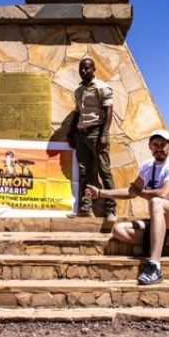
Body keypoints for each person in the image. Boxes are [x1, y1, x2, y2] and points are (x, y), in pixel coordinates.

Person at [85, 129, 169, 285]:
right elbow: (131, 192)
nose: (159, 148)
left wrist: (140, 192)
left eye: (163, 144)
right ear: (149, 146)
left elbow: (164, 195)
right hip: (161, 220)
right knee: (118, 230)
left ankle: (155, 266)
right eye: (155, 144)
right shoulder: (147, 167)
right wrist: (101, 193)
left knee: (156, 202)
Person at [68, 57, 116, 222]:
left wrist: (104, 133)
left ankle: (111, 209)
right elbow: (77, 113)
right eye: (81, 68)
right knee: (84, 172)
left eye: (87, 68)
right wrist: (71, 133)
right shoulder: (79, 91)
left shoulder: (103, 87)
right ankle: (84, 207)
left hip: (97, 132)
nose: (83, 71)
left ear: (94, 69)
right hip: (82, 134)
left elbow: (109, 111)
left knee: (104, 170)